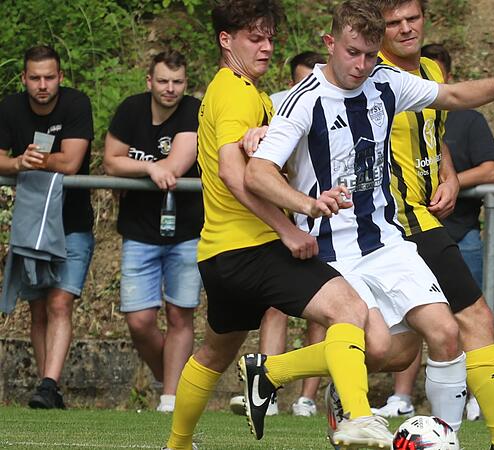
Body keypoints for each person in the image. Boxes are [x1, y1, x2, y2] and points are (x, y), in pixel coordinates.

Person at [244, 1, 494, 449]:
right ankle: (277, 371)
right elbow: (256, 173)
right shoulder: (302, 101)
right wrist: (306, 203)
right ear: (329, 43)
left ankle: (448, 441)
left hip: (388, 241)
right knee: (379, 350)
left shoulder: (387, 82)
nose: (361, 65)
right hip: (334, 252)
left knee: (445, 333)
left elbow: (454, 97)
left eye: (371, 55)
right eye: (353, 52)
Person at [163, 1, 395, 449]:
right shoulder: (233, 91)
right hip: (254, 248)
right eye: (255, 38)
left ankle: (177, 444)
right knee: (349, 310)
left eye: (270, 37)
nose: (266, 47)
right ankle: (358, 418)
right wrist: (290, 226)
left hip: (218, 254)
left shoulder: (240, 91)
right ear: (226, 41)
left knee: (214, 352)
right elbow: (234, 174)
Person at [372, 3, 494, 449]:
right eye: (393, 23)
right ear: (378, 30)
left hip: (423, 217)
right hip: (397, 220)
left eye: (412, 18)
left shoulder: (429, 69)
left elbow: (437, 132)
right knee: (472, 318)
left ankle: (286, 372)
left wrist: (448, 175)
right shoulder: (372, 77)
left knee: (403, 347)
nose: (406, 28)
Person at [102, 50, 203, 413]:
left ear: (185, 83)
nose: (170, 89)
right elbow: (109, 161)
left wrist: (143, 166)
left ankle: (171, 398)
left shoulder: (193, 109)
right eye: (163, 81)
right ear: (149, 81)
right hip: (139, 229)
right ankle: (171, 380)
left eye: (177, 82)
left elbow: (177, 165)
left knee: (180, 314)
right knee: (139, 320)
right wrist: (146, 170)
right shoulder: (131, 109)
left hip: (187, 229)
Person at [229, 50, 328, 419]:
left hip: (332, 220)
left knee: (327, 312)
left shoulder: (342, 104)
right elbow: (250, 153)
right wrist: (252, 136)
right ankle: (266, 391)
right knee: (276, 306)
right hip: (290, 221)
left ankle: (308, 397)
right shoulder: (276, 107)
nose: (308, 87)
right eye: (301, 81)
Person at [0, 45, 95, 410]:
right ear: (24, 78)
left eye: (49, 77)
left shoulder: (76, 104)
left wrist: (29, 161)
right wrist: (16, 162)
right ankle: (47, 389)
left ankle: (48, 383)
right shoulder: (9, 108)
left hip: (72, 224)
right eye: (35, 78)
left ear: (61, 77)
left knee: (60, 302)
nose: (42, 85)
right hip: (29, 225)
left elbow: (71, 162)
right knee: (37, 307)